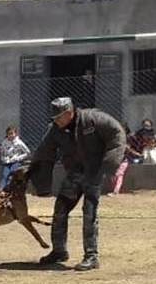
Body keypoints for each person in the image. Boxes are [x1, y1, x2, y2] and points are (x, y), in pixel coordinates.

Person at [28, 96, 126, 271]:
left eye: (58, 117)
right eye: (54, 118)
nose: (56, 121)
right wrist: (37, 177)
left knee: (89, 212)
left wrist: (110, 164)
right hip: (74, 173)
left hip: (94, 172)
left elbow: (117, 133)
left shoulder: (92, 119)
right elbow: (44, 152)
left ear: (69, 113)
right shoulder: (55, 130)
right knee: (60, 209)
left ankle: (91, 256)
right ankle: (59, 251)